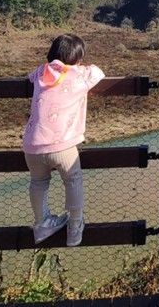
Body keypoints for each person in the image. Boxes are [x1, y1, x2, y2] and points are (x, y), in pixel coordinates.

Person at [22, 33, 105, 246]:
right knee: (73, 180)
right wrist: (82, 67)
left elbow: (30, 77)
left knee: (38, 182)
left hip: (32, 146)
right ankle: (75, 228)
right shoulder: (80, 75)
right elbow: (98, 72)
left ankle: (41, 224)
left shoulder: (41, 72)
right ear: (78, 58)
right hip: (62, 145)